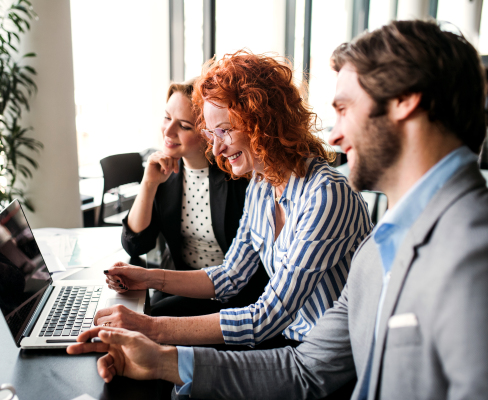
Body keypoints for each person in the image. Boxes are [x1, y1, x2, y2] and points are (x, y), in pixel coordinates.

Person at [68, 20, 488, 399]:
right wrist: (161, 359)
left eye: (343, 109)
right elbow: (306, 369)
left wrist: (155, 330)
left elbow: (272, 322)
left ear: (404, 102)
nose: (336, 135)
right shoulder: (378, 250)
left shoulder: (470, 253)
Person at [95, 51, 372, 349]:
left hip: (322, 353)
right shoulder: (261, 186)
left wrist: (150, 327)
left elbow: (267, 316)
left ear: (263, 122)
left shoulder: (325, 195)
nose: (216, 151)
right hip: (289, 338)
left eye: (224, 131)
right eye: (211, 135)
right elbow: (230, 276)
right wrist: (147, 278)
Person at [121, 79, 269, 316]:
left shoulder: (239, 177)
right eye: (167, 118)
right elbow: (136, 244)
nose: (168, 132)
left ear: (208, 133)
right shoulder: (163, 175)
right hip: (181, 287)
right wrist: (148, 184)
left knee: (146, 321)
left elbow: (247, 270)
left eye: (184, 126)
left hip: (234, 294)